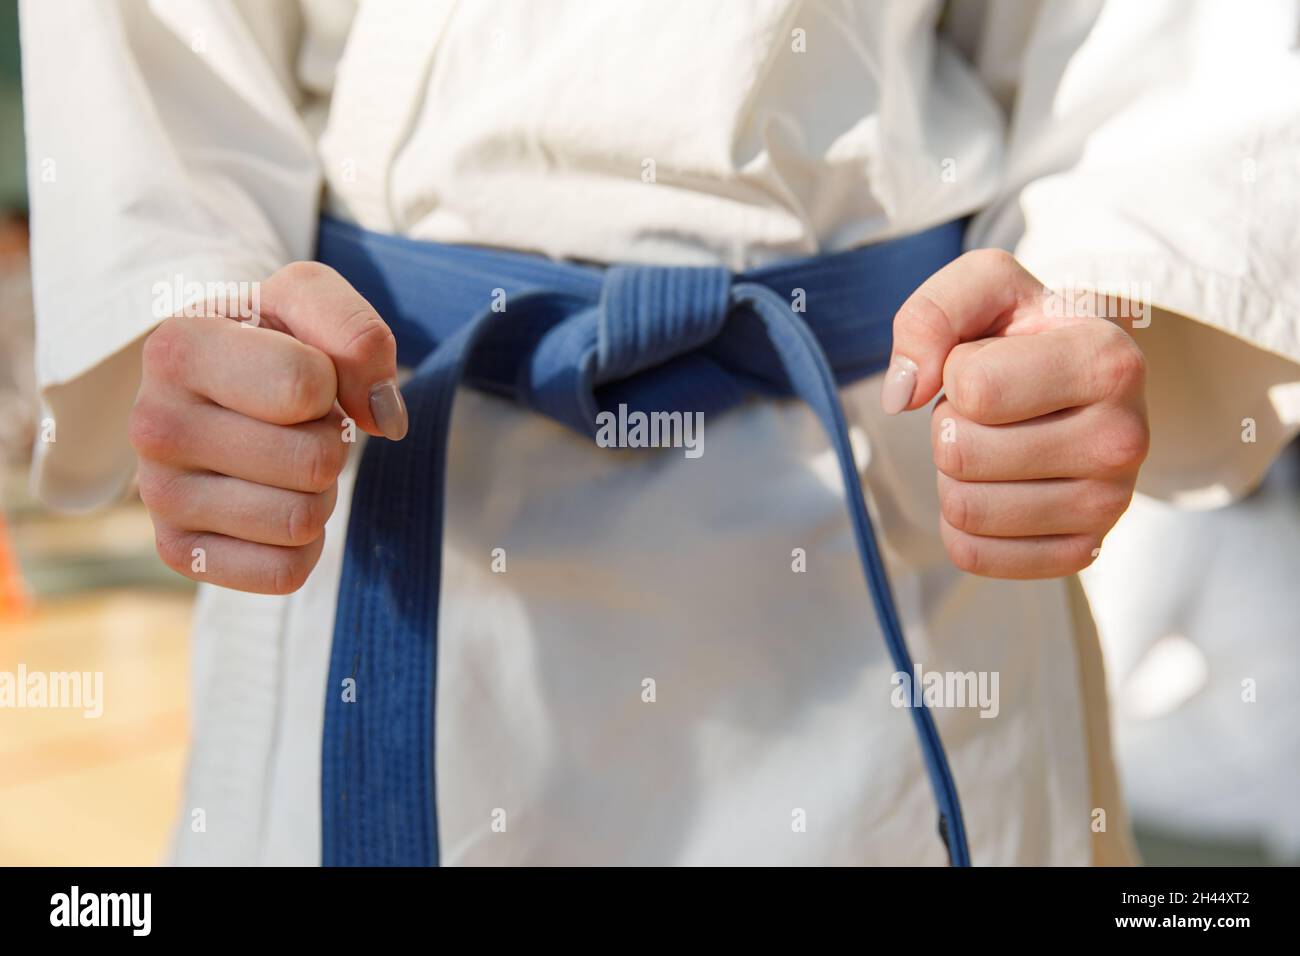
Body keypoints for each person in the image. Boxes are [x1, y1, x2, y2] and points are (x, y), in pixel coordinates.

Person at [20, 0, 1300, 865]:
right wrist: (194, 296)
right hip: (393, 495)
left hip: (892, 489)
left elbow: (1152, 43)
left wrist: (1095, 280)